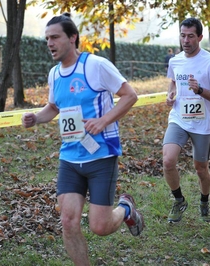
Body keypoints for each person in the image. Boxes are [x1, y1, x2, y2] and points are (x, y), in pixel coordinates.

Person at [21, 13, 144, 265]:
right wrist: (36, 117)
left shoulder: (95, 65)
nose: (49, 43)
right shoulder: (54, 74)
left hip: (101, 155)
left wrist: (104, 120)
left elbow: (130, 95)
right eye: (47, 39)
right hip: (69, 156)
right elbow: (53, 108)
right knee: (68, 222)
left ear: (73, 38)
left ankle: (126, 209)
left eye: (55, 37)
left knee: (100, 226)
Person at [163, 18, 210, 223]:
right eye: (183, 35)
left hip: (202, 123)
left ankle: (204, 201)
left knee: (201, 169)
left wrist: (199, 89)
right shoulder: (175, 61)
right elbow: (173, 82)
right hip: (179, 118)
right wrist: (170, 94)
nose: (186, 40)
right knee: (168, 160)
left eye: (191, 36)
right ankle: (179, 200)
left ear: (199, 37)